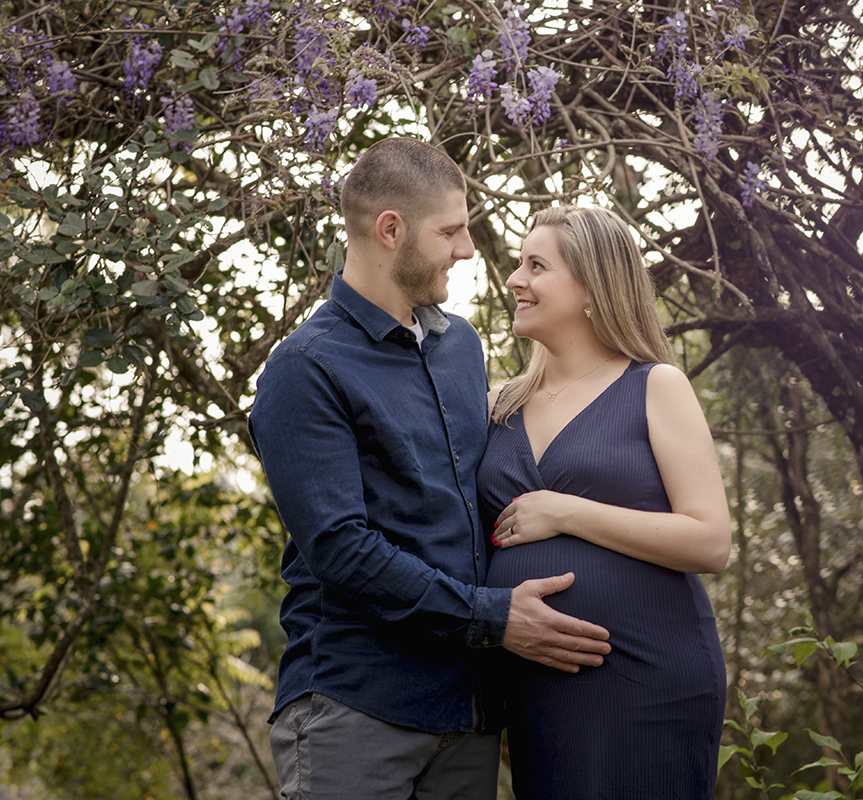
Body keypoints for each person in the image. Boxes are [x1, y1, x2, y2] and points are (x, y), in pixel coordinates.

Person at [248, 138, 612, 800]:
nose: (468, 250)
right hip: (356, 711)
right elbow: (339, 547)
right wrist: (494, 618)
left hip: (468, 714)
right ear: (392, 230)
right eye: (450, 230)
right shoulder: (306, 368)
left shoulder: (460, 347)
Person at [479, 205, 732, 799]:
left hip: (650, 677)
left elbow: (710, 540)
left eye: (535, 265)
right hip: (537, 680)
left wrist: (566, 511)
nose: (515, 280)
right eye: (518, 264)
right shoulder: (495, 405)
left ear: (593, 285)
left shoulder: (655, 385)